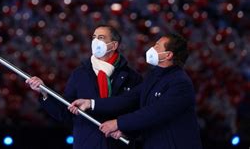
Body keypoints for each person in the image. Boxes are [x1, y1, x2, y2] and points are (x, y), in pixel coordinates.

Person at [68, 33, 202, 149]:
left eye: (157, 46)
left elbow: (154, 113)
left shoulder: (180, 83)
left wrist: (118, 123)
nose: (152, 49)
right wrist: (90, 103)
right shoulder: (154, 76)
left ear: (168, 55)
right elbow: (128, 98)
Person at [26, 24, 142, 149]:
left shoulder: (132, 77)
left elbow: (139, 114)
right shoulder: (80, 74)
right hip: (87, 143)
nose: (95, 41)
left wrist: (126, 132)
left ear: (114, 45)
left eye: (101, 37)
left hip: (118, 144)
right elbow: (66, 113)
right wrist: (44, 93)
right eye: (94, 37)